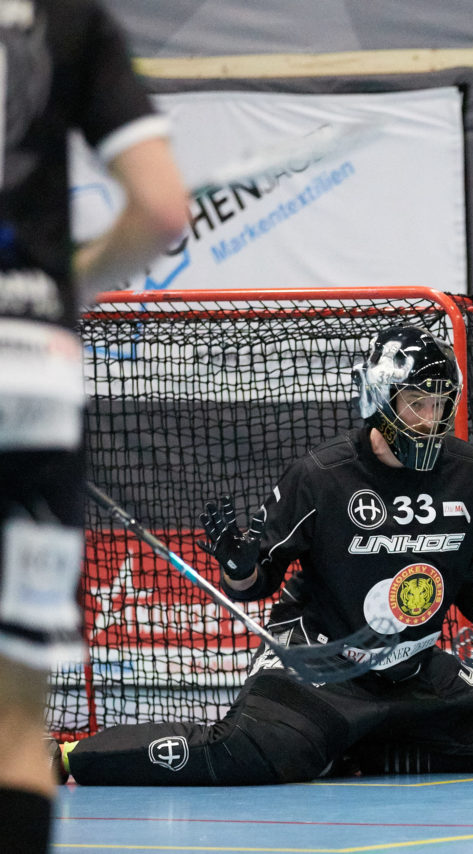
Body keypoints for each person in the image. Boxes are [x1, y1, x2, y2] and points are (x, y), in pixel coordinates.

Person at [56, 325, 473, 784]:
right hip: (322, 667)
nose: (429, 420)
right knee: (249, 753)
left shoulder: (468, 473)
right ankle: (69, 756)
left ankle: (356, 750)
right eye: (415, 403)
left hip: (412, 671)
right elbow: (254, 585)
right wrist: (237, 563)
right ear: (378, 397)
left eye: (440, 405)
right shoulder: (321, 476)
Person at [1, 1, 189, 850]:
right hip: (28, 372)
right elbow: (160, 210)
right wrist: (66, 284)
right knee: (13, 722)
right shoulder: (73, 19)